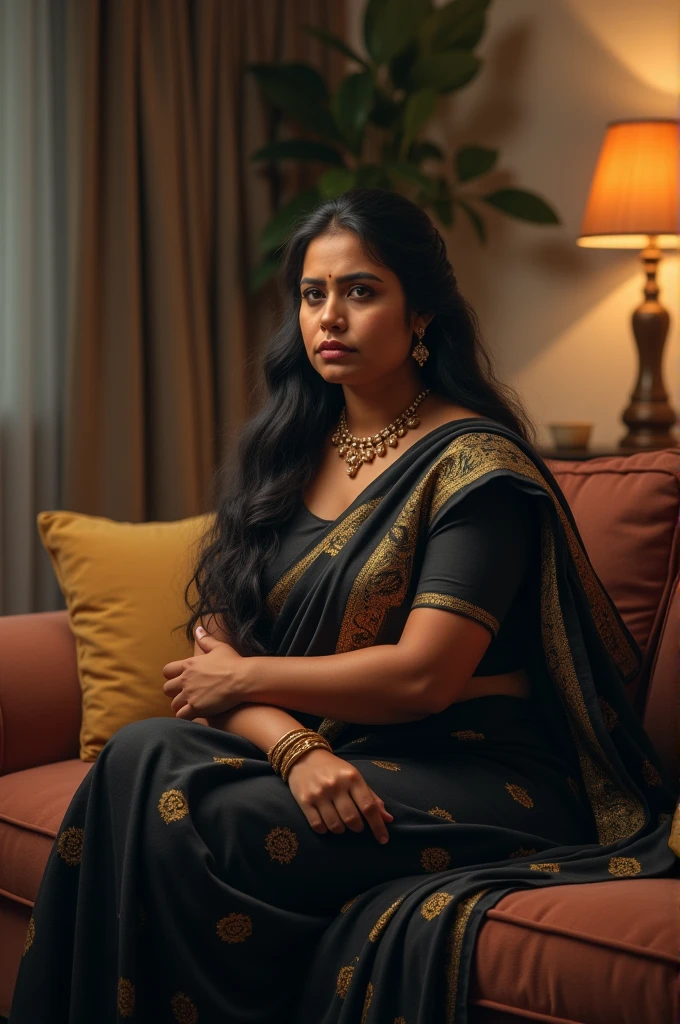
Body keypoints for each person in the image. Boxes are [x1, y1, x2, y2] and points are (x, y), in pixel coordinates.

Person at [9, 188, 676, 1024]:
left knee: (207, 823)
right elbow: (215, 659)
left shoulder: (475, 468)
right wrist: (292, 746)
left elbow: (423, 678)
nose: (330, 316)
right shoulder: (289, 448)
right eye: (313, 294)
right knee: (142, 752)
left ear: (421, 311)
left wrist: (252, 685)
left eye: (361, 291)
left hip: (478, 772)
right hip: (334, 748)